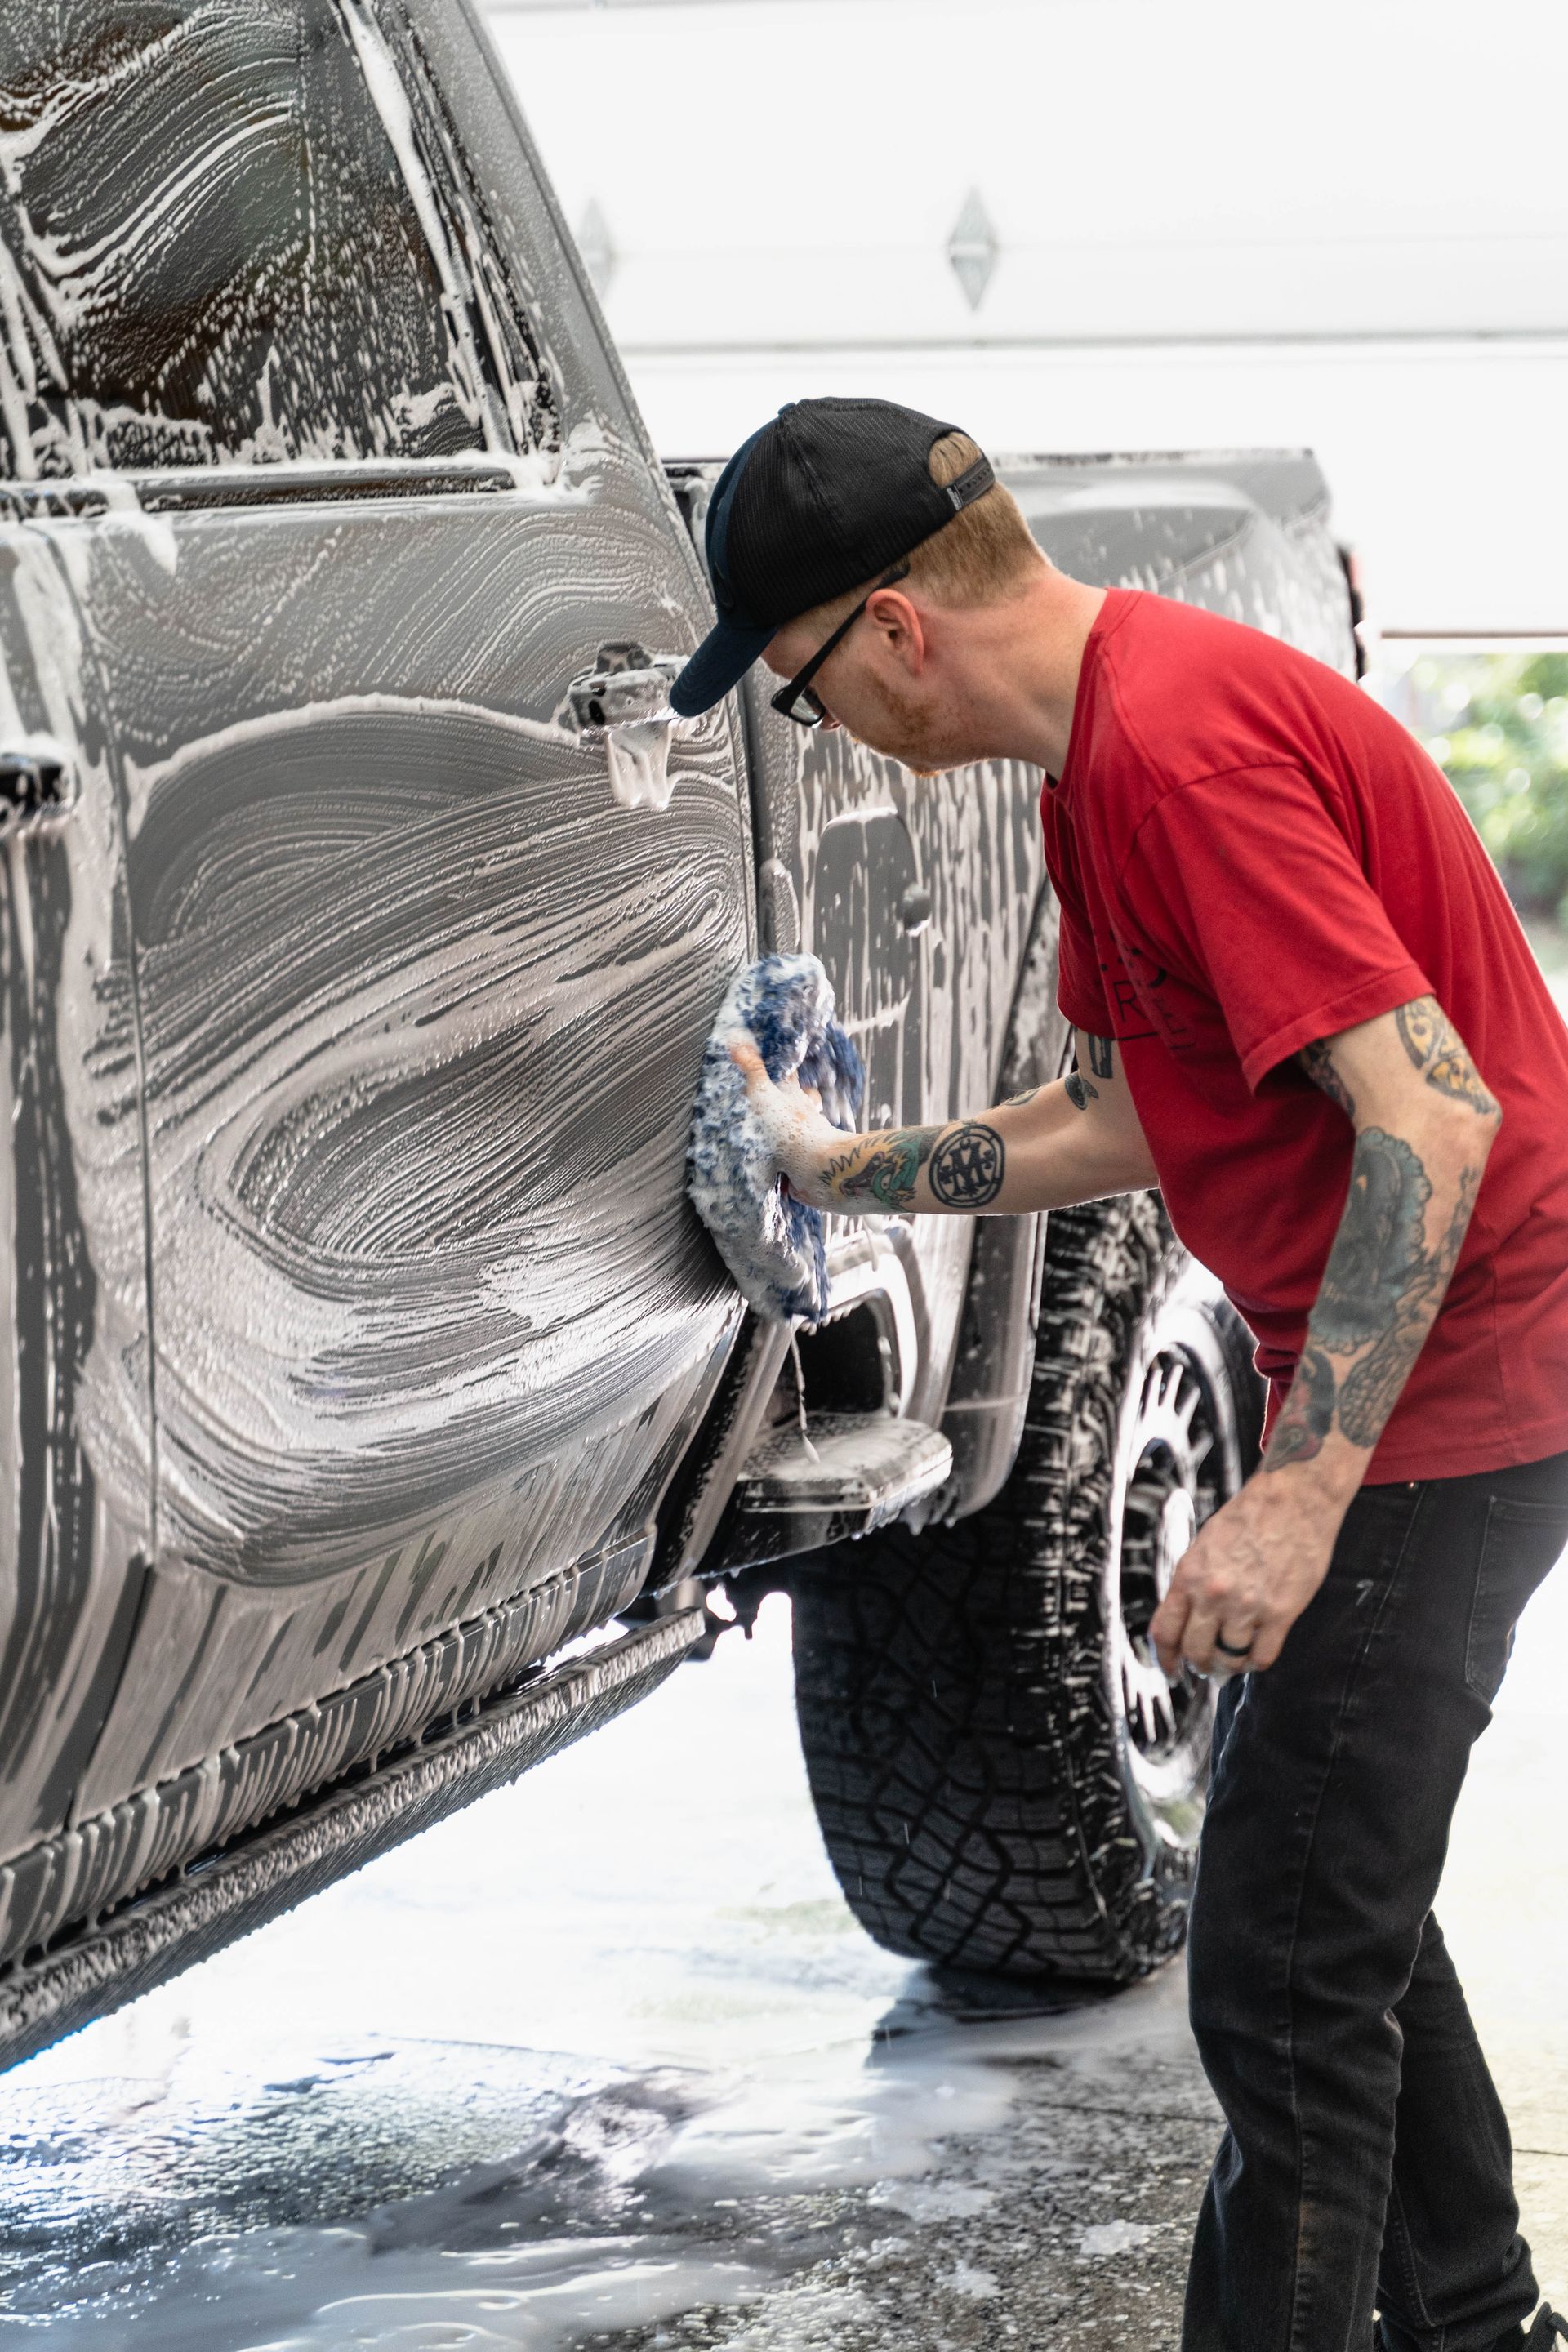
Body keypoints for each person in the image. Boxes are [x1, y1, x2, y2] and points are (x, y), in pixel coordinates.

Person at [670, 397, 1568, 2352]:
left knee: (1277, 1985)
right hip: (1414, 1377)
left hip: (1467, 1390)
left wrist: (1297, 1490)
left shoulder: (1180, 753)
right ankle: (1486, 2329)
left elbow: (1431, 1114)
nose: (827, 736)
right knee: (1342, 1911)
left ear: (896, 626)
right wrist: (849, 1169)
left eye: (808, 690)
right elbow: (1126, 1110)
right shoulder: (1105, 755)